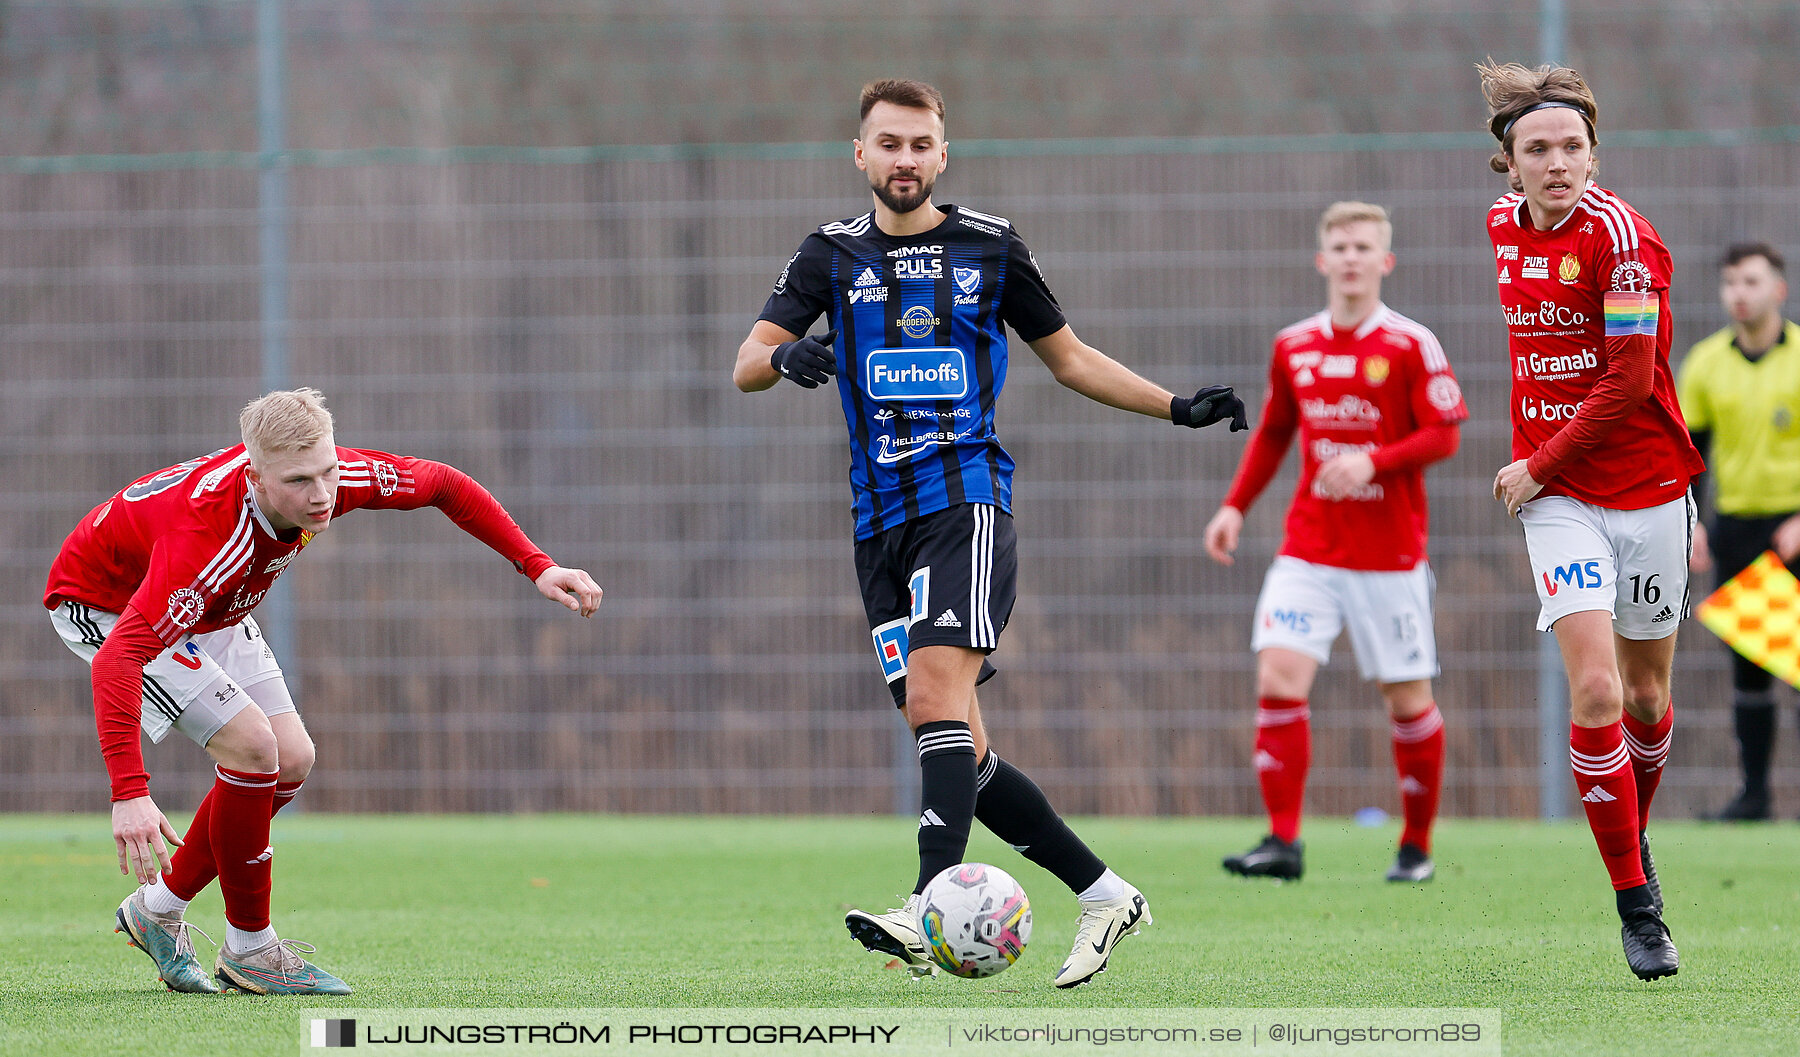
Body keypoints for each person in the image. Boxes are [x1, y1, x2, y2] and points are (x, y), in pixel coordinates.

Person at [732, 78, 1246, 988]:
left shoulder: (990, 246)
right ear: (861, 155)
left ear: (943, 154)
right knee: (958, 750)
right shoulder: (828, 254)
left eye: (920, 144)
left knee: (934, 698)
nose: (904, 160)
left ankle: (925, 901)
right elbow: (746, 364)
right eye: (888, 144)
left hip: (964, 503)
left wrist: (1177, 408)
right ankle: (1104, 892)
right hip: (876, 522)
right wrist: (783, 355)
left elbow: (1072, 357)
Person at [44, 388, 603, 995]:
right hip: (107, 605)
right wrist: (129, 794)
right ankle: (251, 950)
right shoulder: (203, 540)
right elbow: (120, 658)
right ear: (255, 477)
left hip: (209, 607)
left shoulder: (332, 479)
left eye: (329, 472)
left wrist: (538, 564)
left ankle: (157, 908)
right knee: (254, 748)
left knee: (293, 759)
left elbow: (443, 483)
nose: (322, 495)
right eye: (299, 481)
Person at [1478, 59, 1705, 981]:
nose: (1558, 163)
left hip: (1647, 487)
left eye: (1573, 147)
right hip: (1561, 502)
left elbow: (1631, 378)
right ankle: (1637, 905)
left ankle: (1630, 835)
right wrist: (1542, 474)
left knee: (1648, 700)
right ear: (1509, 162)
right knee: (1599, 693)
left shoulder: (1620, 240)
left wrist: (1534, 461)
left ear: (1595, 153)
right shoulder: (1500, 227)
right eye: (1539, 149)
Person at [1205, 202, 1466, 885]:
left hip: (1390, 557)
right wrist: (1234, 507)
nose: (1351, 258)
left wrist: (1372, 462)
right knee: (1278, 677)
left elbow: (1445, 433)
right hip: (1309, 547)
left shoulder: (1411, 344)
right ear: (1323, 261)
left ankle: (1415, 846)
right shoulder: (1295, 344)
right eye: (1340, 247)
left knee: (1407, 699)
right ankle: (1283, 842)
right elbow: (1272, 432)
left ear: (1386, 261)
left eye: (1364, 247)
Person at [1676, 242, 1800, 821]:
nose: (1739, 293)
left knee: (1796, 660)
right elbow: (1690, 455)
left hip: (1795, 524)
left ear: (1777, 290)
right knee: (1753, 666)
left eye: (1751, 282)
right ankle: (1756, 797)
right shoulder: (1706, 363)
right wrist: (1692, 522)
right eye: (1730, 283)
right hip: (1742, 529)